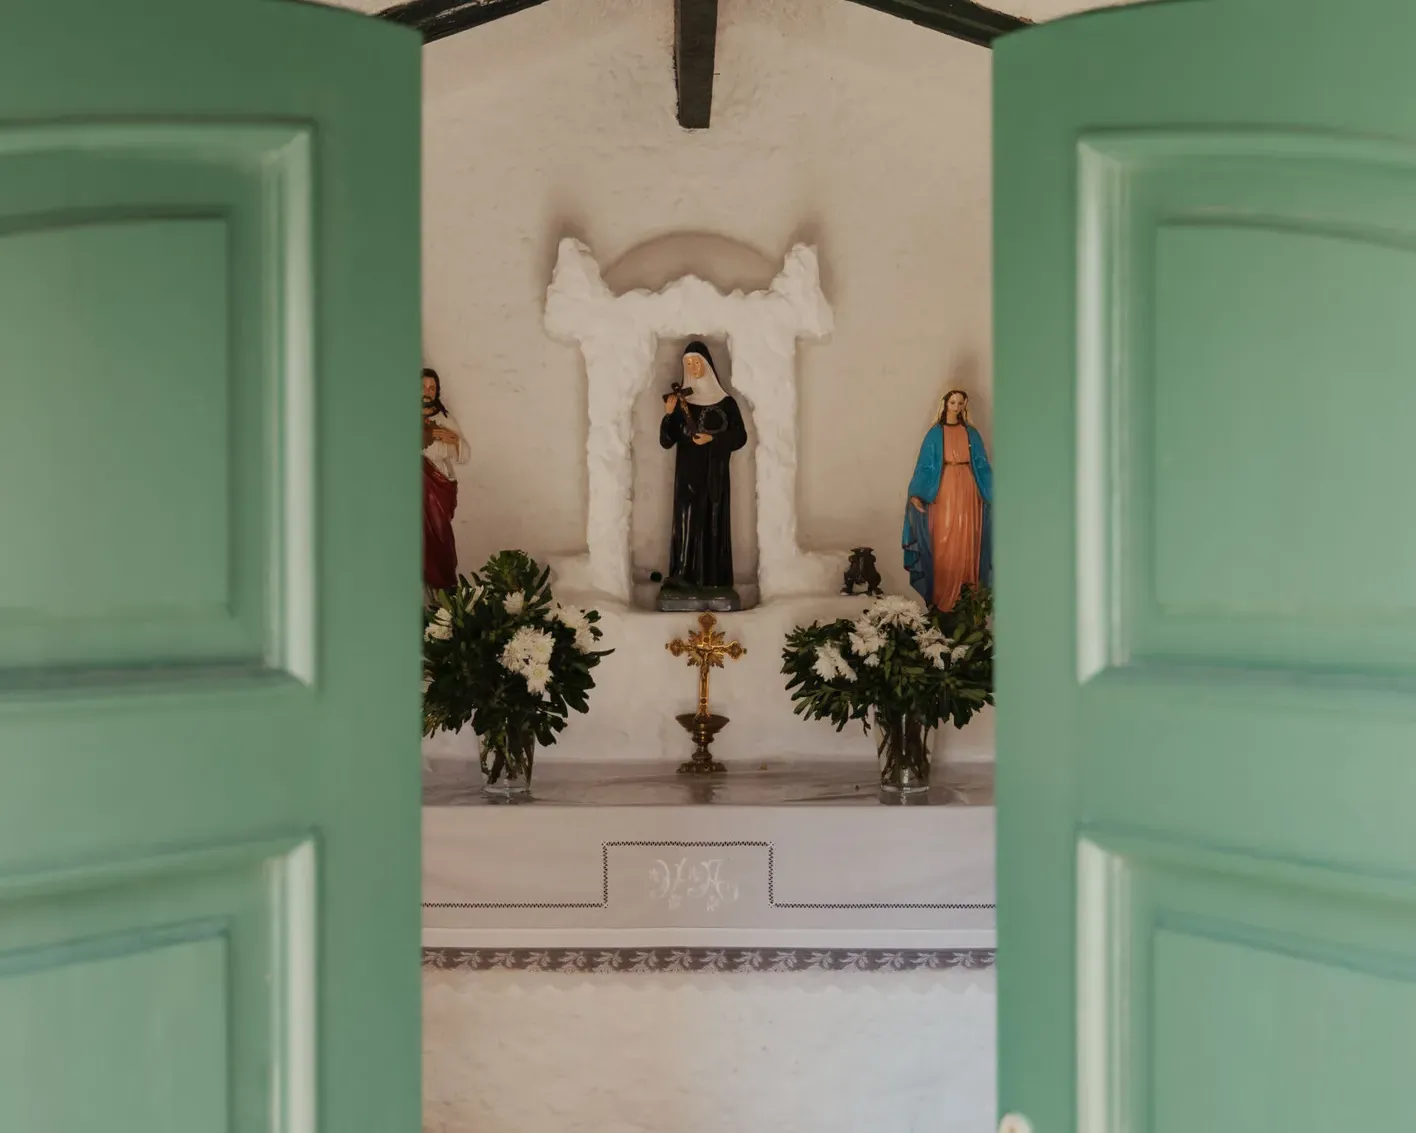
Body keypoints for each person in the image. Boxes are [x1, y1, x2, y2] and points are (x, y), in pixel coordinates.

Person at [660, 341, 748, 590]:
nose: (693, 367)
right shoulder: (681, 402)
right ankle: (684, 577)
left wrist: (714, 439)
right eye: (688, 363)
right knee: (687, 521)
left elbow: (740, 437)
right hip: (688, 473)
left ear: (707, 364)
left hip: (715, 473)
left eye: (697, 362)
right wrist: (669, 414)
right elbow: (666, 441)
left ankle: (714, 581)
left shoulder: (725, 402)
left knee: (713, 521)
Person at [903, 389, 992, 610]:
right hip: (944, 489)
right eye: (952, 402)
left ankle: (967, 601)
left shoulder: (972, 434)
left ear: (965, 406)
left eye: (960, 403)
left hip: (969, 489)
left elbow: (981, 464)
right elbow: (924, 466)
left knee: (967, 541)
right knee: (944, 541)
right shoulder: (935, 434)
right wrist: (916, 492)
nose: (956, 406)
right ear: (945, 404)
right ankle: (943, 601)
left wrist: (993, 490)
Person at [422, 367, 468, 595]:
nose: (427, 392)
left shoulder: (444, 417)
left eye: (432, 387)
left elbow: (465, 453)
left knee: (440, 535)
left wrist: (454, 441)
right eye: (422, 387)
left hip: (439, 483)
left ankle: (444, 590)